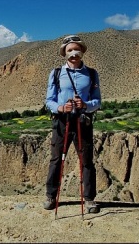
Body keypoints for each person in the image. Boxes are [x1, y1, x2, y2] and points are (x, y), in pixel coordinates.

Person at [44, 35, 101, 213]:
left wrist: (86, 105)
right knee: (56, 159)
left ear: (82, 52)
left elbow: (97, 101)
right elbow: (49, 101)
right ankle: (51, 196)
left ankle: (89, 199)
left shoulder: (91, 74)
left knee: (86, 161)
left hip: (83, 121)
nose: (73, 53)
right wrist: (61, 108)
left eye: (76, 50)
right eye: (70, 50)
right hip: (62, 121)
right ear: (64, 54)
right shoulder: (56, 74)